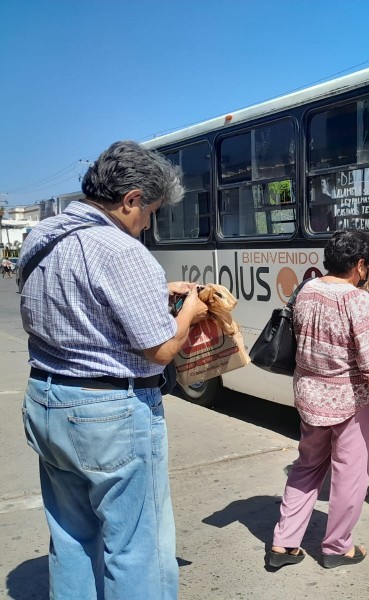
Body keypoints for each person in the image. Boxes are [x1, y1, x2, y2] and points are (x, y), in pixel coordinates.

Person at [18, 140, 207, 600]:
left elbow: (80, 298)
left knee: (71, 538)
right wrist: (190, 311)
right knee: (138, 547)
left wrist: (155, 293)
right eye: (151, 212)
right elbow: (161, 350)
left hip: (46, 400)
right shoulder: (122, 251)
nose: (147, 223)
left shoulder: (42, 236)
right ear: (132, 199)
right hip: (108, 414)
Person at [269, 229, 369, 569]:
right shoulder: (358, 301)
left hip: (310, 399)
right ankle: (337, 547)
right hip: (349, 403)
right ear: (359, 265)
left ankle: (283, 544)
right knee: (350, 475)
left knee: (306, 468)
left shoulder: (307, 289)